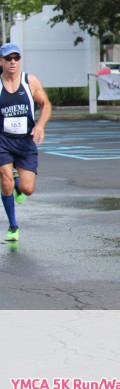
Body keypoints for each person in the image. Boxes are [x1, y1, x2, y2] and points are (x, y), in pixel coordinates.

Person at [0, 42, 52, 242]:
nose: (13, 62)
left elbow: (45, 104)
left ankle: (17, 185)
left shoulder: (30, 81)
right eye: (8, 58)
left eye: (16, 58)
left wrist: (40, 126)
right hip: (3, 140)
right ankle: (13, 227)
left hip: (25, 141)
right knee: (5, 179)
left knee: (27, 189)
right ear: (1, 61)